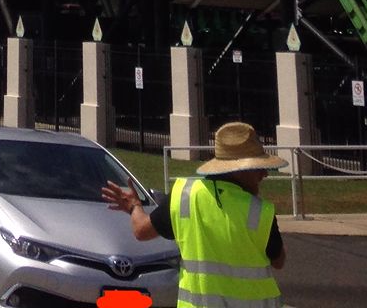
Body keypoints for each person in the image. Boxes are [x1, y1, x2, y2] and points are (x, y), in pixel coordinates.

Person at [102, 122, 287, 308]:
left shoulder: (184, 196)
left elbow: (141, 230)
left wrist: (134, 207)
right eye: (258, 167)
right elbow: (279, 261)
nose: (265, 174)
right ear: (240, 170)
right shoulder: (260, 211)